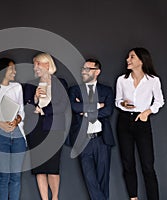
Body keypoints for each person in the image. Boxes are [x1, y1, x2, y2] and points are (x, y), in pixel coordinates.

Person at [115, 47, 164, 200]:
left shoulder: (153, 80)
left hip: (142, 122)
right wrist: (124, 104)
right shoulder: (122, 80)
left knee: (148, 166)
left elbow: (159, 101)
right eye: (128, 57)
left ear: (142, 60)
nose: (127, 60)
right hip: (124, 122)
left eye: (132, 57)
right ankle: (133, 198)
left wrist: (146, 113)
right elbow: (117, 101)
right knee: (128, 163)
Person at [23, 52, 68, 200]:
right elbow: (26, 107)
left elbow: (62, 105)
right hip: (35, 130)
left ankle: (54, 198)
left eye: (38, 63)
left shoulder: (60, 82)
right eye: (34, 64)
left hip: (54, 129)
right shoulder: (30, 84)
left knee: (53, 168)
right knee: (39, 169)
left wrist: (43, 111)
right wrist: (35, 98)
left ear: (48, 65)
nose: (35, 67)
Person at [69, 58, 115, 200]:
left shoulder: (106, 90)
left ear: (97, 72)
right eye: (83, 69)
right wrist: (96, 106)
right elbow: (73, 107)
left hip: (102, 140)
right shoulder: (75, 90)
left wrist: (85, 111)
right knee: (90, 180)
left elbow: (108, 111)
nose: (84, 71)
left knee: (103, 179)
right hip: (83, 141)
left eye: (88, 69)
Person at [0, 58, 27, 200]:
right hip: (0, 135)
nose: (14, 71)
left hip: (18, 135)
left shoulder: (17, 87)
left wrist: (16, 120)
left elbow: (22, 111)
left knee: (16, 176)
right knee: (3, 176)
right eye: (11, 68)